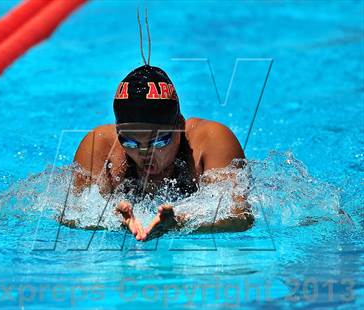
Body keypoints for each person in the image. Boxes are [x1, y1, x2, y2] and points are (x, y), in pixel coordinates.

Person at [70, 64, 254, 241]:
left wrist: (180, 222)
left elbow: (239, 217)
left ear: (180, 126)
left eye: (158, 141)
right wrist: (112, 220)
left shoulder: (211, 141)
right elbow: (70, 213)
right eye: (130, 142)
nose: (144, 154)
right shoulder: (100, 146)